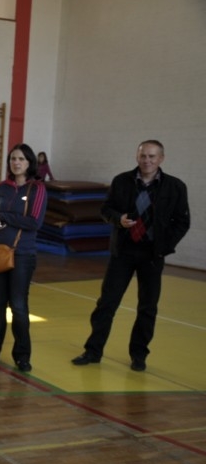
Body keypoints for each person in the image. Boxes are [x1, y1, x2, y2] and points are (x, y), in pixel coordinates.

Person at [72, 140, 190, 371]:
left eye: (152, 156)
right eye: (143, 155)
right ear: (137, 157)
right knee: (107, 304)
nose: (147, 160)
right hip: (123, 252)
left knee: (147, 307)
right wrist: (118, 219)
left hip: (153, 254)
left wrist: (165, 245)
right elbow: (105, 210)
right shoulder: (121, 181)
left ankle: (139, 355)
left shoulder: (175, 187)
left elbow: (182, 222)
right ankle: (93, 351)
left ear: (161, 159)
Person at [0, 143, 47, 373]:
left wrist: (4, 216)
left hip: (22, 255)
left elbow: (34, 222)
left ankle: (22, 355)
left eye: (21, 159)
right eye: (13, 159)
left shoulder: (37, 189)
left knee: (18, 305)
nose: (16, 163)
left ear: (29, 163)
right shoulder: (2, 187)